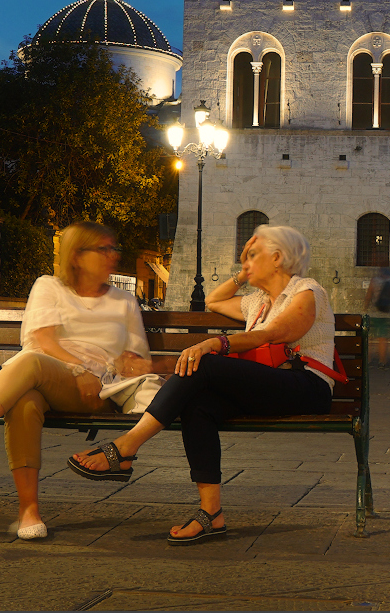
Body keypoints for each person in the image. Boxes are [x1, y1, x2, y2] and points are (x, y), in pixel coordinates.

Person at [67, 224, 341, 545]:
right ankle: (211, 514)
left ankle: (127, 446)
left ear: (278, 258)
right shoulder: (257, 302)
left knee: (204, 362)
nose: (247, 261)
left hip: (306, 386)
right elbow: (213, 300)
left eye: (253, 255)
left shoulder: (307, 291)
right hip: (268, 387)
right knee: (198, 404)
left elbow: (274, 333)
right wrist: (244, 271)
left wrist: (215, 343)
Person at [0, 222, 159, 541]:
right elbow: (44, 340)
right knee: (25, 400)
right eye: (104, 249)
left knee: (28, 364)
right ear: (77, 256)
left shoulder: (124, 301)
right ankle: (28, 510)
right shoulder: (49, 286)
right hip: (52, 373)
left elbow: (137, 358)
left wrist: (120, 364)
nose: (113, 256)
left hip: (96, 388)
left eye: (115, 248)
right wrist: (76, 368)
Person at [364, 261, 390, 367]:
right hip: (389, 314)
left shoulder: (374, 281)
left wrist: (365, 308)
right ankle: (382, 361)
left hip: (375, 313)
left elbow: (369, 296)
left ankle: (368, 359)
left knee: (370, 338)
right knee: (383, 338)